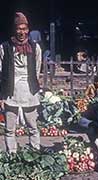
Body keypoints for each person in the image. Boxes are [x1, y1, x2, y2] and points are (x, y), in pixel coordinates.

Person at [0, 12, 42, 153]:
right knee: (9, 129)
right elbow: (1, 71)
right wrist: (2, 95)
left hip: (29, 90)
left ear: (28, 30)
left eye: (24, 29)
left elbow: (37, 70)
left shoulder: (35, 48)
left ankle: (34, 153)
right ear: (14, 30)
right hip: (10, 90)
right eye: (19, 29)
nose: (21, 32)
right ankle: (12, 155)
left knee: (32, 127)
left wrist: (33, 85)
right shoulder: (5, 48)